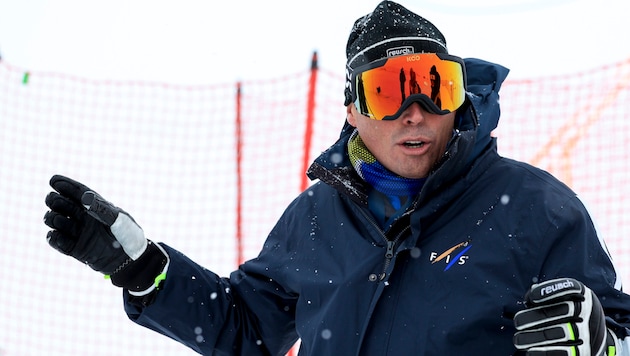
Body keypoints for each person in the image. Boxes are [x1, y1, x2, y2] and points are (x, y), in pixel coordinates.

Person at [43, 1, 630, 355]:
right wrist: (145, 269)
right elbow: (248, 331)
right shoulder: (318, 218)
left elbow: (616, 330)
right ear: (352, 110)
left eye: (435, 85)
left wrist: (603, 342)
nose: (416, 111)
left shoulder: (535, 209)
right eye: (387, 91)